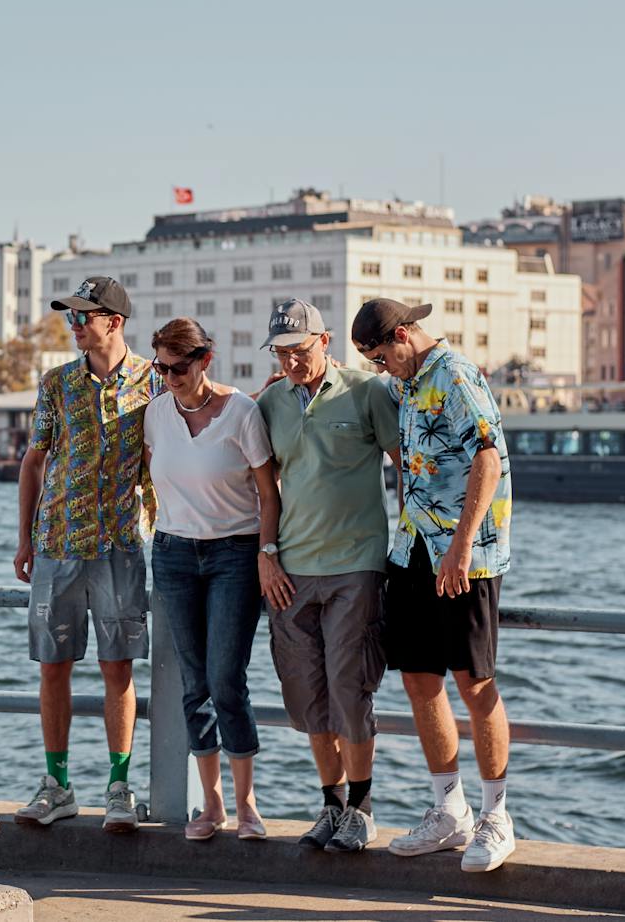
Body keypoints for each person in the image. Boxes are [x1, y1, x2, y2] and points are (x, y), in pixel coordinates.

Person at [352, 298, 518, 873]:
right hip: (414, 549)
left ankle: (498, 815)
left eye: (381, 356)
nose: (380, 368)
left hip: (463, 553)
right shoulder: (407, 380)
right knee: (420, 679)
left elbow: (489, 457)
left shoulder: (454, 374)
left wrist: (463, 545)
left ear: (402, 335)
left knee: (475, 681)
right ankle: (450, 811)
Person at [254, 299, 401, 854]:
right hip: (291, 570)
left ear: (327, 340)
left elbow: (406, 466)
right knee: (307, 696)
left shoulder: (367, 391)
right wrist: (265, 555)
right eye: (282, 353)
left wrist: (410, 551)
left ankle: (362, 808)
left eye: (301, 349)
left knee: (349, 688)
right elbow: (262, 488)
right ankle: (331, 804)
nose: (292, 361)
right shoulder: (269, 402)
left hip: (355, 565)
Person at [12, 275, 158, 832]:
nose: (73, 326)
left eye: (82, 317)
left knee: (117, 666)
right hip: (56, 545)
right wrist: (25, 539)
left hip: (121, 543)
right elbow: (34, 462)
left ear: (114, 322)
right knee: (53, 665)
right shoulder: (56, 384)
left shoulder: (153, 383)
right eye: (70, 317)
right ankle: (58, 784)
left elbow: (168, 455)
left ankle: (119, 787)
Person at [142, 318, 279, 841]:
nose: (170, 377)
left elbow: (270, 491)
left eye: (179, 367)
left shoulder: (242, 412)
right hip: (173, 554)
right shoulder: (156, 414)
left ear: (205, 360)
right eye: (161, 367)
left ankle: (248, 805)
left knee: (226, 679)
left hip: (234, 556)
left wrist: (267, 551)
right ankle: (211, 805)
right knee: (194, 684)